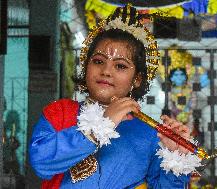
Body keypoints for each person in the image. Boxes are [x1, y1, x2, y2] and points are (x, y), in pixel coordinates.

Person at [29, 5, 201, 189]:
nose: (106, 71)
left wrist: (177, 156)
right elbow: (41, 163)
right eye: (98, 61)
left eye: (120, 66)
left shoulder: (150, 134)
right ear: (86, 67)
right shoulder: (60, 112)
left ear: (137, 79)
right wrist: (101, 125)